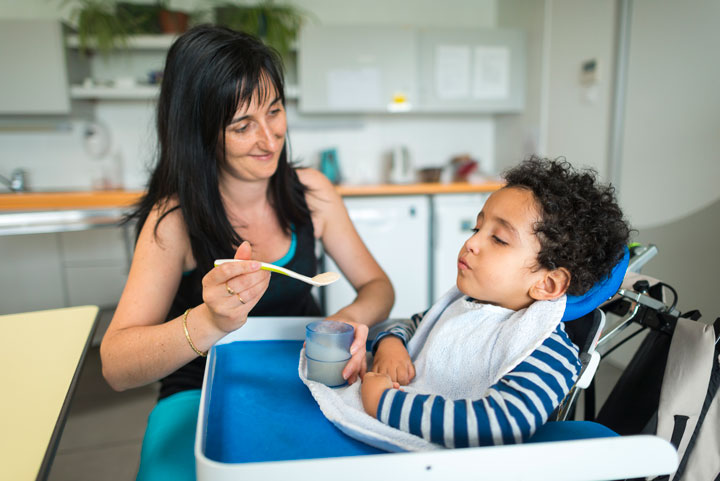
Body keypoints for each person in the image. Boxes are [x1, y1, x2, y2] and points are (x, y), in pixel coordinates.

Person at [99, 25, 394, 479]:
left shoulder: (312, 192)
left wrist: (353, 318)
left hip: (306, 380)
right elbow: (116, 366)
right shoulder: (173, 220)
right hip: (199, 392)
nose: (269, 138)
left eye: (274, 111)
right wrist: (210, 319)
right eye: (242, 125)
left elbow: (377, 287)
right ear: (201, 133)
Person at [360, 158, 630, 448]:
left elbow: (503, 425)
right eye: (477, 229)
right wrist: (391, 345)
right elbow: (413, 326)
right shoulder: (467, 304)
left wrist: (385, 403)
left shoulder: (545, 349)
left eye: (499, 239)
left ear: (547, 284)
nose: (471, 244)